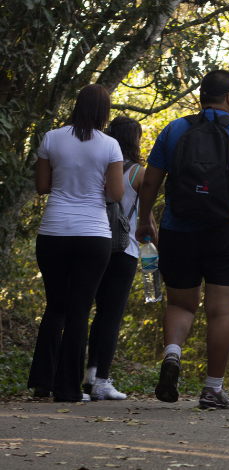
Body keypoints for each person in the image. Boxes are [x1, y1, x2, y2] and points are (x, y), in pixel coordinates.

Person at [136, 70, 229, 408]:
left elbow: (150, 183)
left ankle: (173, 355)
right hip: (227, 232)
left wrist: (145, 220)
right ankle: (212, 389)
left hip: (178, 230)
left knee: (179, 304)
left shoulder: (174, 130)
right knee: (221, 313)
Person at [27, 84, 124, 402]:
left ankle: (43, 382)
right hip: (92, 235)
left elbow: (42, 186)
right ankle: (68, 390)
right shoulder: (110, 145)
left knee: (55, 307)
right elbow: (115, 194)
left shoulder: (52, 138)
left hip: (53, 232)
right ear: (103, 112)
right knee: (80, 310)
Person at [83, 116, 151, 400]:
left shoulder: (99, 166)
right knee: (110, 316)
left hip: (94, 243)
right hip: (126, 250)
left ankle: (88, 376)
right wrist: (155, 250)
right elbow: (147, 216)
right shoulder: (139, 173)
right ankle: (102, 380)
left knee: (88, 313)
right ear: (133, 140)